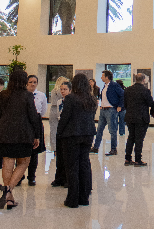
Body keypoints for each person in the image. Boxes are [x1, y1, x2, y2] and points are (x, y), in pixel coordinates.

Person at [0, 70, 41, 210]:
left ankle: (9, 197)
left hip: (4, 133)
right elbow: (33, 116)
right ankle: (8, 191)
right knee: (24, 161)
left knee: (7, 161)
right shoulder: (27, 95)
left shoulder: (4, 94)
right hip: (23, 134)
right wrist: (37, 135)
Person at [58, 73, 97, 208]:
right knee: (84, 164)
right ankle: (84, 197)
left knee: (72, 167)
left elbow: (65, 118)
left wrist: (59, 133)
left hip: (72, 135)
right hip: (88, 134)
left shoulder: (71, 98)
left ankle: (72, 199)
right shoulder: (91, 99)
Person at [90, 70, 124, 155]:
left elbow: (122, 95)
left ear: (107, 77)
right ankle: (95, 147)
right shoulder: (105, 86)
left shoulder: (114, 85)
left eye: (102, 76)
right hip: (103, 110)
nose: (101, 77)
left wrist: (120, 106)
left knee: (112, 130)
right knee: (99, 130)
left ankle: (113, 149)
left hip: (111, 110)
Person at [123, 73, 154, 166]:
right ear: (143, 80)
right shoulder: (145, 91)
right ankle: (137, 160)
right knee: (139, 139)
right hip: (141, 118)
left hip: (130, 117)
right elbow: (151, 103)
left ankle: (127, 159)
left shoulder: (127, 90)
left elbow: (125, 104)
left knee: (131, 137)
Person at [26, 74, 47, 186]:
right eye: (30, 82)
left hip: (36, 122)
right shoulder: (23, 95)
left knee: (34, 151)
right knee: (23, 150)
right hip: (25, 122)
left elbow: (43, 111)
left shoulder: (41, 95)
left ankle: (31, 176)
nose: (33, 84)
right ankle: (19, 176)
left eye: (35, 82)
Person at [51, 80, 71, 187]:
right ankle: (59, 178)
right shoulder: (59, 102)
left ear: (70, 90)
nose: (63, 91)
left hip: (68, 129)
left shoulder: (71, 102)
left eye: (65, 89)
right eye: (61, 89)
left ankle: (67, 179)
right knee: (59, 155)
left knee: (67, 155)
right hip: (60, 127)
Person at [49, 76, 69, 152]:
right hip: (58, 108)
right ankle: (58, 148)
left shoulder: (54, 90)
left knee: (53, 130)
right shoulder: (60, 91)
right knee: (58, 130)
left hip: (53, 109)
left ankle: (54, 148)